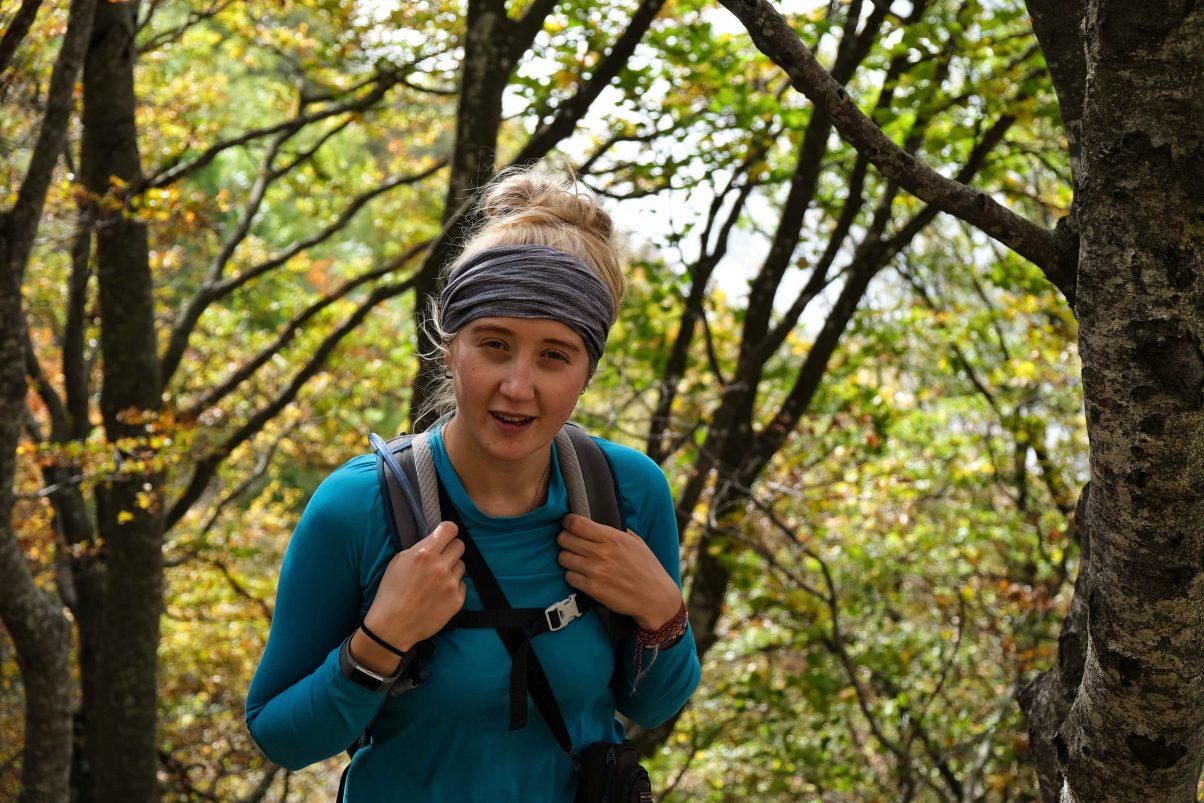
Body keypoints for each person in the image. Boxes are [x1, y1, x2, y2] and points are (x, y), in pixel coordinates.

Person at [245, 167, 702, 801]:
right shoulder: (357, 508)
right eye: (494, 345)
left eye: (553, 355)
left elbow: (652, 706)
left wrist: (662, 613)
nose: (518, 386)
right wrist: (379, 643)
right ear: (449, 345)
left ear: (586, 370)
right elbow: (278, 736)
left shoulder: (623, 493)